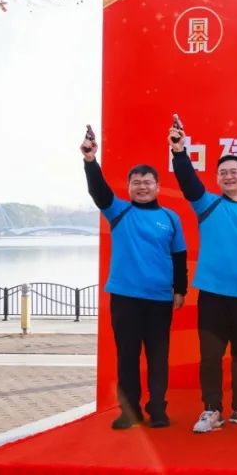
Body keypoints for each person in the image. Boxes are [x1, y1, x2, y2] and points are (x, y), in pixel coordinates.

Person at [169, 120, 237, 433]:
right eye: (223, 173)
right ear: (217, 178)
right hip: (213, 295)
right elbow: (189, 182)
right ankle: (212, 410)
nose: (229, 176)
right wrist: (179, 152)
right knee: (211, 356)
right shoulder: (208, 205)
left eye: (234, 172)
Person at [81, 129, 187, 430]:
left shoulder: (170, 217)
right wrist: (90, 160)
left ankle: (158, 408)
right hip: (125, 297)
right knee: (127, 356)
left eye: (147, 182)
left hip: (159, 299)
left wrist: (180, 289)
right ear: (128, 187)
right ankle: (130, 411)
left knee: (158, 357)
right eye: (136, 183)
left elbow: (179, 255)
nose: (142, 187)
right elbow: (99, 191)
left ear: (157, 186)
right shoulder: (119, 211)